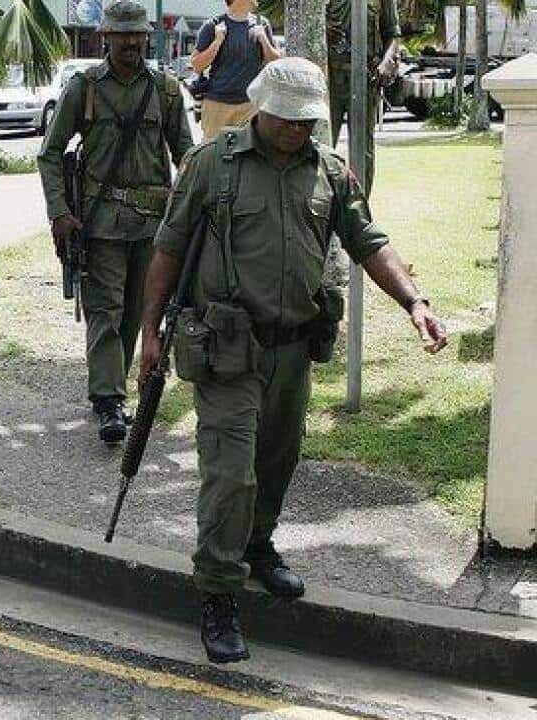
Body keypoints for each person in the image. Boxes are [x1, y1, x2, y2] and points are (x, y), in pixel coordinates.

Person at [138, 57, 447, 664]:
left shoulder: (330, 171)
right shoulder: (212, 165)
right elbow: (169, 248)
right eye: (291, 120)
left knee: (276, 462)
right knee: (230, 473)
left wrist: (415, 303)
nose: (300, 130)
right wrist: (149, 332)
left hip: (292, 348)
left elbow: (369, 242)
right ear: (263, 106)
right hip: (226, 349)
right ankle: (219, 593)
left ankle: (257, 547)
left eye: (310, 121)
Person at [37, 0, 193, 444]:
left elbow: (186, 155)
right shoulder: (84, 88)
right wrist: (60, 213)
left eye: (137, 34)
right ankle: (108, 401)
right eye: (121, 34)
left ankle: (117, 390)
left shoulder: (165, 90)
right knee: (105, 313)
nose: (130, 41)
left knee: (139, 315)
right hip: (100, 225)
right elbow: (50, 154)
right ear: (105, 38)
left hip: (153, 228)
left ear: (147, 36)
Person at [327, 0, 401, 188]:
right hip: (329, 79)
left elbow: (392, 33)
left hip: (365, 80)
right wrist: (322, 28)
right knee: (323, 145)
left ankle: (360, 207)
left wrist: (386, 62)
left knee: (363, 150)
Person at [190, 0, 282, 139]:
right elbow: (197, 65)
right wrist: (217, 41)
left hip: (250, 106)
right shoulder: (213, 25)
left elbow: (276, 63)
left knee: (250, 158)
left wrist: (264, 40)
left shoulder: (261, 24)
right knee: (214, 156)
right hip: (217, 105)